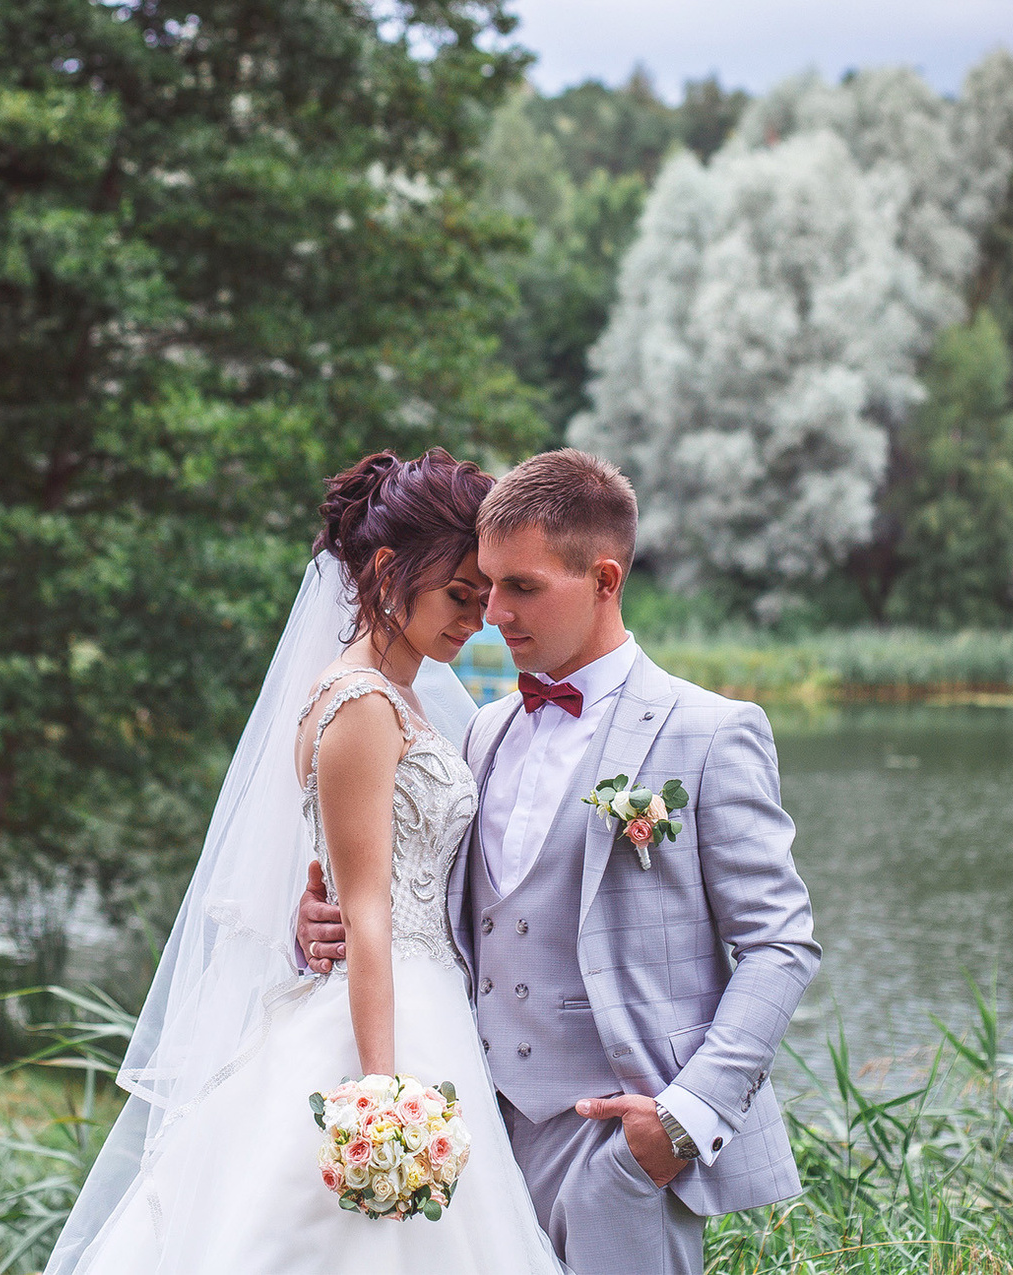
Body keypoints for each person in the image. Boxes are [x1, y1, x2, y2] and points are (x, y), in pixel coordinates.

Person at [44, 448, 570, 1275]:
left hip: (428, 995)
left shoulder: (403, 699)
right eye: (459, 594)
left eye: (489, 595)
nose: (477, 618)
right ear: (390, 569)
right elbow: (365, 908)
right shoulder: (359, 704)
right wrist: (382, 1097)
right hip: (386, 1019)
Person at [297, 449, 821, 1275]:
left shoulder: (711, 731)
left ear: (605, 580)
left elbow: (781, 944)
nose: (492, 613)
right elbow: (421, 898)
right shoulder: (483, 729)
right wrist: (317, 919)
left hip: (623, 1151)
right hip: (475, 1139)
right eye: (487, 583)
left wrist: (681, 1120)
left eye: (523, 587)